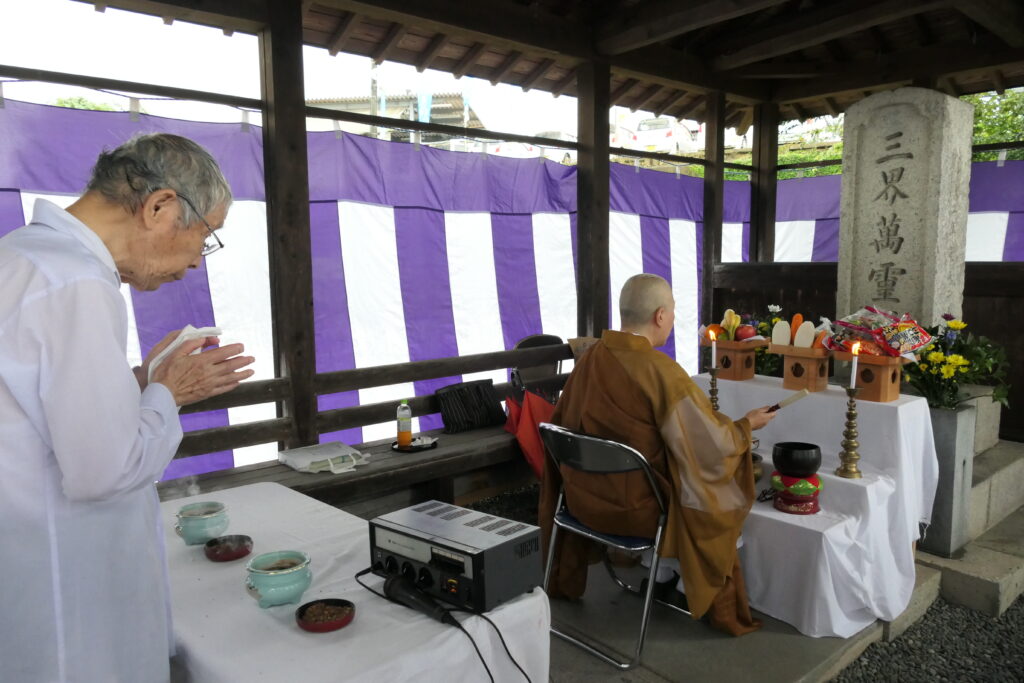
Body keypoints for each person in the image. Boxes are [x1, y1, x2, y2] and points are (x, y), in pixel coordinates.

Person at [0, 133, 256, 682]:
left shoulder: (22, 255)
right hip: (66, 591)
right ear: (160, 207)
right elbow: (103, 469)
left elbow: (34, 404)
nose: (193, 265)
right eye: (206, 238)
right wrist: (171, 392)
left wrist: (141, 379)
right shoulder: (76, 282)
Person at [539, 273, 776, 636]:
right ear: (661, 315)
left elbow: (562, 427)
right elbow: (711, 447)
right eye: (675, 312)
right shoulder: (660, 371)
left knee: (675, 471)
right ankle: (682, 580)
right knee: (713, 496)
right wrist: (745, 426)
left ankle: (662, 573)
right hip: (637, 514)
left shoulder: (588, 360)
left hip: (581, 503)